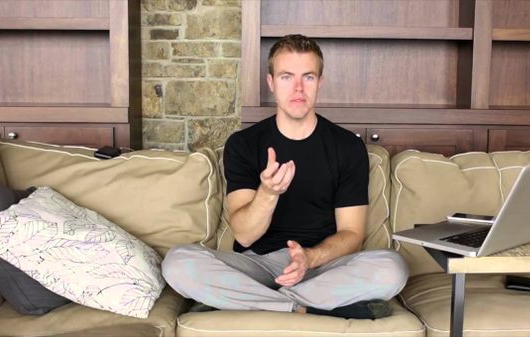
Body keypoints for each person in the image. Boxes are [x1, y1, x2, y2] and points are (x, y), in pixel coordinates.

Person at [162, 34, 408, 319]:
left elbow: (352, 234)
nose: (298, 88)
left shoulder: (348, 147)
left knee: (393, 267)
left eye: (309, 77)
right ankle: (301, 307)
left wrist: (309, 258)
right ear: (271, 83)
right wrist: (267, 193)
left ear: (321, 83)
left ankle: (249, 302)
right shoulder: (243, 144)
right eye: (286, 77)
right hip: (257, 266)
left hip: (322, 267)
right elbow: (243, 233)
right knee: (177, 263)